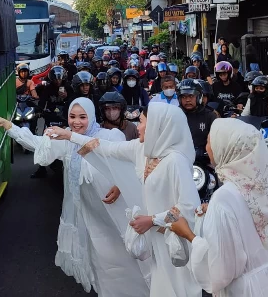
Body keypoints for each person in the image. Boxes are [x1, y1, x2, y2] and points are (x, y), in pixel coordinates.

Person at [0, 99, 150, 296]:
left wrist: (120, 186)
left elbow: (127, 163)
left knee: (125, 260)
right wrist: (9, 126)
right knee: (100, 263)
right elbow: (37, 143)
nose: (76, 122)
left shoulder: (110, 136)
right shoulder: (66, 141)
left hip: (113, 214)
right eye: (72, 117)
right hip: (89, 216)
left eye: (82, 117)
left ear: (91, 117)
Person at [49, 103, 202, 297]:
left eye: (142, 122)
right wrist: (70, 136)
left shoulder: (175, 161)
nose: (137, 127)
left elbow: (189, 207)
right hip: (156, 238)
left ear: (157, 126)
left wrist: (152, 220)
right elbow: (107, 148)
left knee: (180, 286)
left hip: (175, 240)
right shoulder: (143, 151)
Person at [170, 118, 268, 296]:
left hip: (245, 289)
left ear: (227, 148)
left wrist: (188, 234)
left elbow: (221, 271)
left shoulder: (223, 198)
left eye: (210, 141)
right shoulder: (258, 183)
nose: (207, 147)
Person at [177, 79, 217, 152]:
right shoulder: (175, 115)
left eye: (191, 96)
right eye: (184, 97)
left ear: (199, 97)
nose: (187, 100)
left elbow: (216, 142)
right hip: (180, 157)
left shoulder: (210, 116)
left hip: (204, 160)